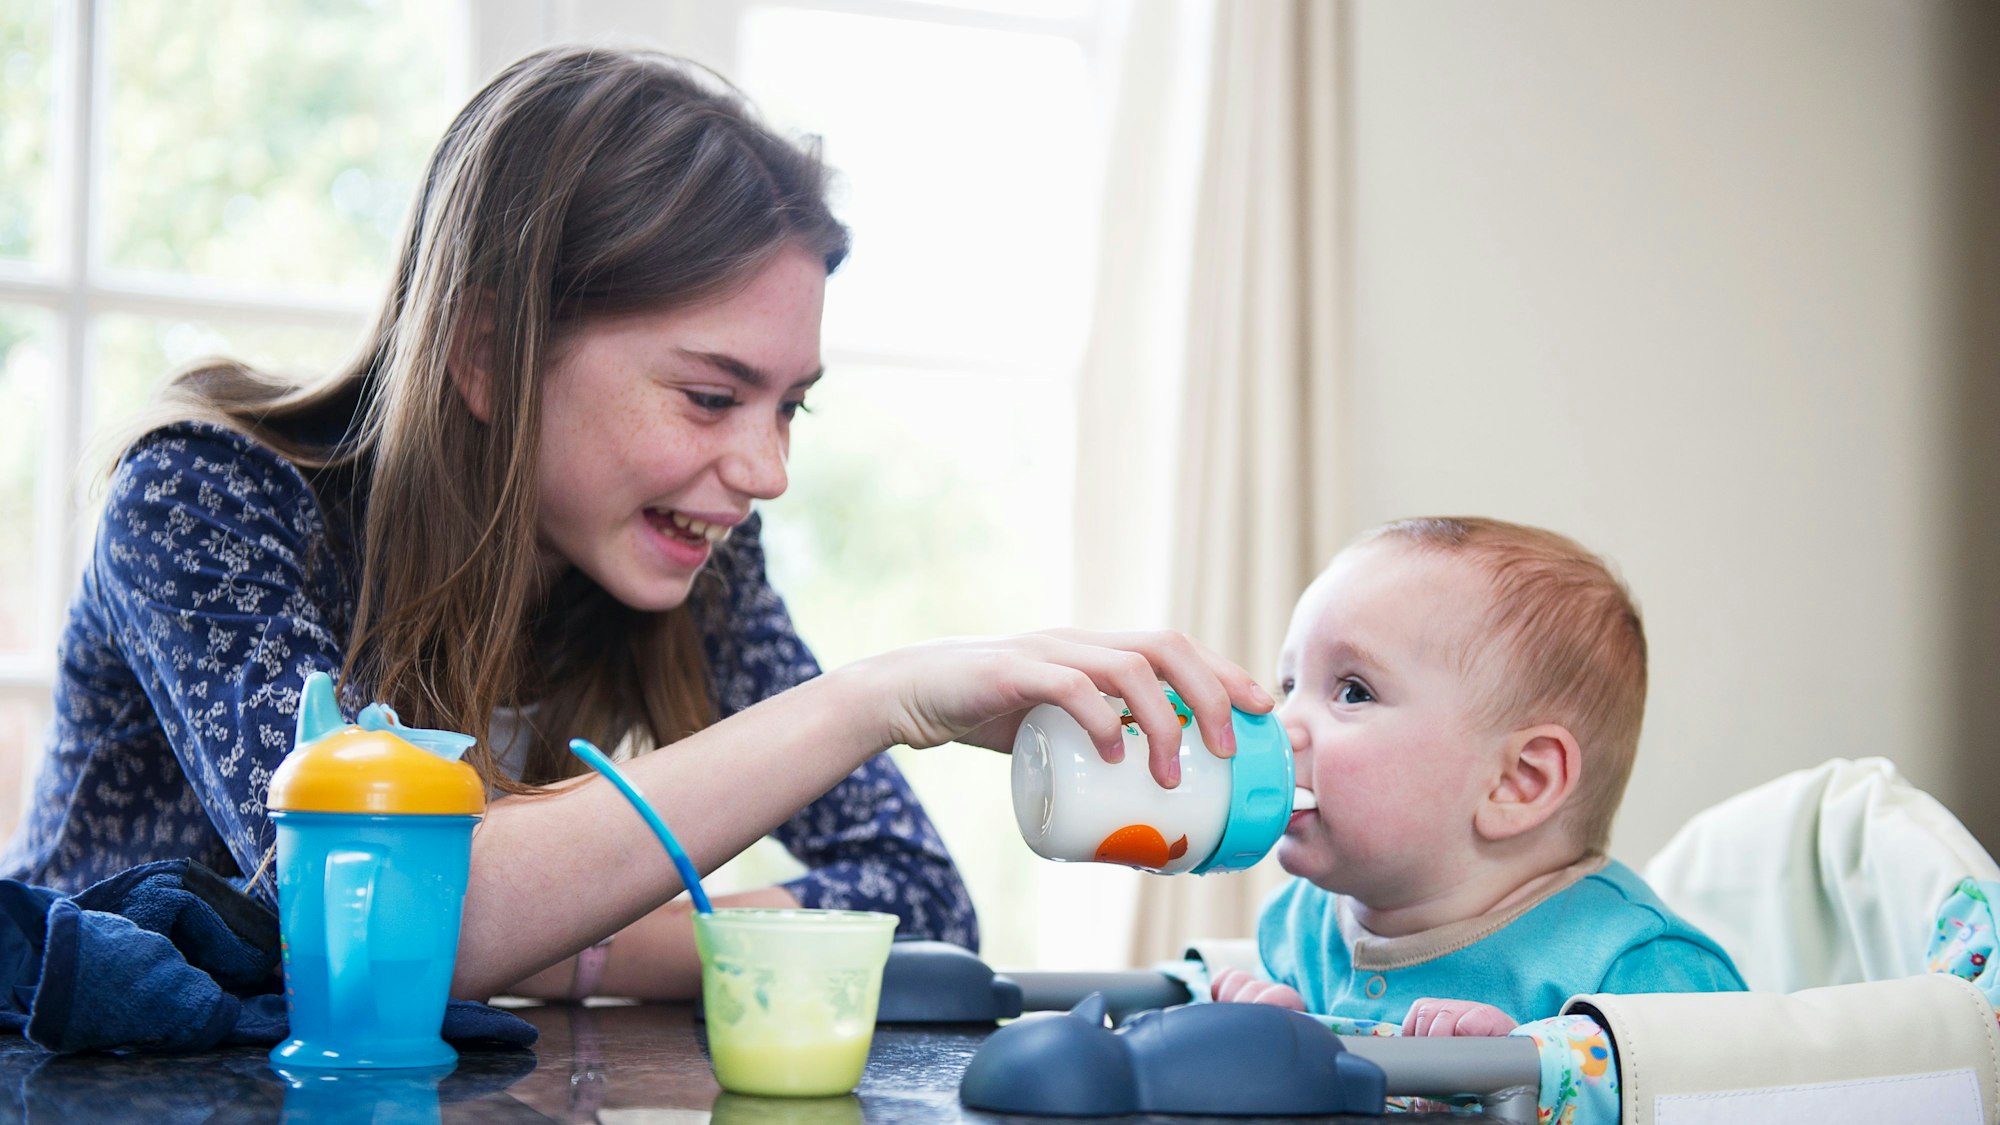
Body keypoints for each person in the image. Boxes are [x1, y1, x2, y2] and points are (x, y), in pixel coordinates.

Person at [0, 46, 1269, 1003]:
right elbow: (381, 920)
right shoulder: (208, 504)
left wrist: (570, 944)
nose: (764, 471)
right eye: (712, 397)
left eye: (790, 408)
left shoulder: (680, 548)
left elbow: (917, 904)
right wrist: (871, 701)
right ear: (487, 353)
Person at [1210, 517, 1744, 1035]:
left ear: (1517, 782)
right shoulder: (1296, 924)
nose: (1282, 726)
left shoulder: (1639, 973)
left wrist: (1531, 1074)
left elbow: (1735, 1082)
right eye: (1288, 686)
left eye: (1353, 692)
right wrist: (1279, 1028)